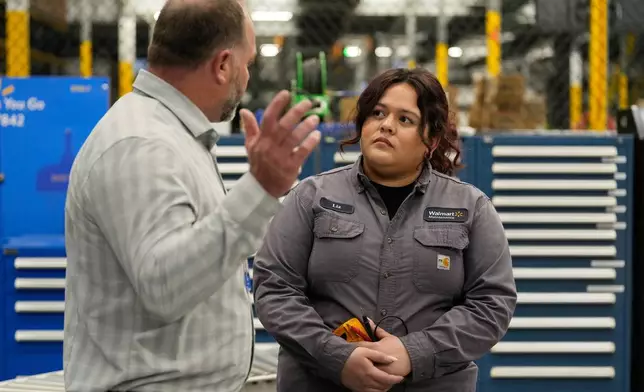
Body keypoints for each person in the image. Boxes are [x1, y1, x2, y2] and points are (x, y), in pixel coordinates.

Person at [62, 0, 321, 390]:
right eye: (246, 63)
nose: (247, 77)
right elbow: (165, 287)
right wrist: (259, 188)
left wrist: (270, 198)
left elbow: (199, 246)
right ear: (221, 65)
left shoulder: (175, 136)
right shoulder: (141, 144)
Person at [253, 68, 517, 392]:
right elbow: (274, 288)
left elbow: (492, 304)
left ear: (430, 140)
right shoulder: (312, 197)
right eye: (377, 113)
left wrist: (413, 353)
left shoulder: (470, 208)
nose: (386, 125)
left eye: (405, 119)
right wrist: (336, 356)